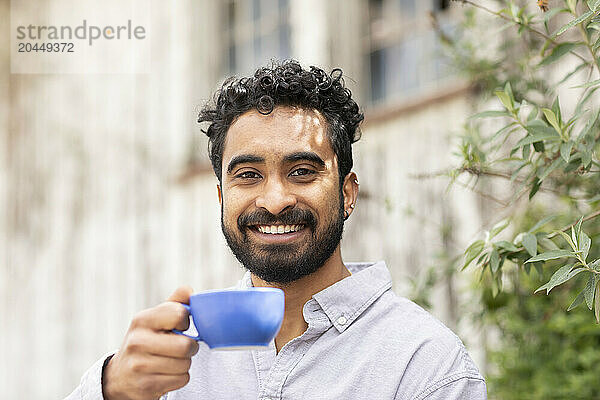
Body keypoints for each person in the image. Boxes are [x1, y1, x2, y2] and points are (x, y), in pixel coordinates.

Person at [67, 60, 487, 400]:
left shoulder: (425, 364)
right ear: (221, 198)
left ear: (347, 193)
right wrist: (113, 389)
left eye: (302, 172)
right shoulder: (173, 362)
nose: (273, 200)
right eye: (248, 175)